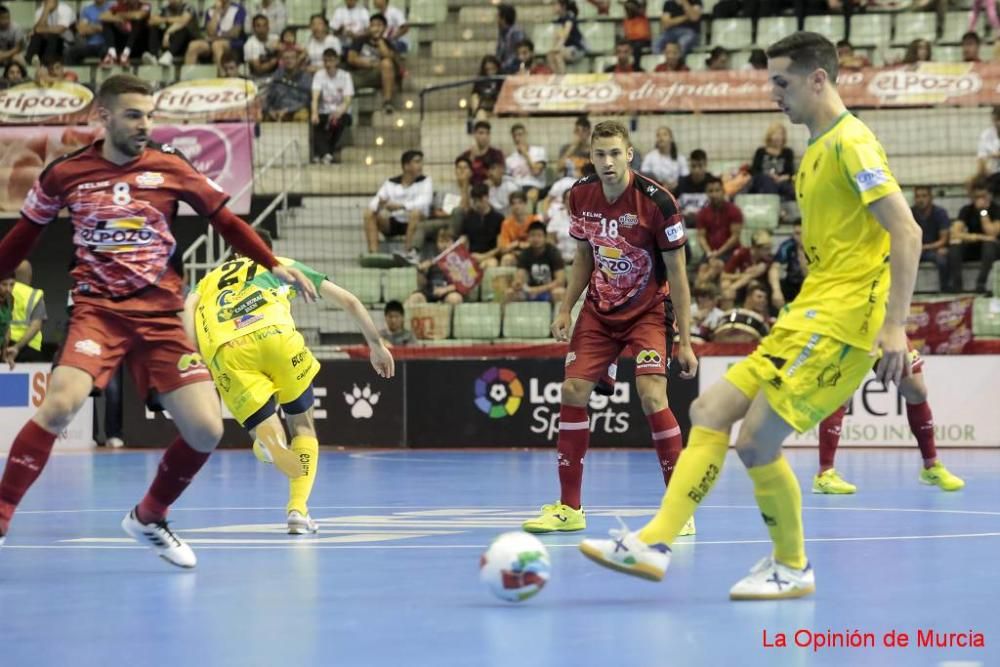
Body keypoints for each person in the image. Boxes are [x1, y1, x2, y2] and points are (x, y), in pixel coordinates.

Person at [578, 32, 923, 600]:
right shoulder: (816, 150)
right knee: (709, 409)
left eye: (781, 83)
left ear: (818, 79)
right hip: (807, 314)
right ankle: (654, 543)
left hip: (841, 325)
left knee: (757, 443)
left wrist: (894, 324)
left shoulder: (852, 143)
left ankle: (792, 566)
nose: (772, 94)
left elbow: (906, 231)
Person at [0, 74, 317, 566]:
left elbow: (226, 222)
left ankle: (149, 516)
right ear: (102, 117)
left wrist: (272, 263)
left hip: (162, 316)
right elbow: (24, 235)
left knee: (206, 430)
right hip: (98, 311)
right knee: (61, 404)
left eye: (149, 114)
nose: (144, 124)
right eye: (133, 114)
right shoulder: (65, 174)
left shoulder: (171, 168)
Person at [522, 120, 697, 535]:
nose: (607, 162)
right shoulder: (580, 195)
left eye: (615, 153)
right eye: (599, 155)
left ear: (630, 154)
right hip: (599, 312)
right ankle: (569, 509)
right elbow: (583, 257)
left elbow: (680, 276)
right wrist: (566, 308)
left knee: (653, 396)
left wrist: (686, 342)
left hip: (649, 312)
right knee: (572, 391)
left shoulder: (659, 203)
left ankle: (678, 511)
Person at [183, 229, 394, 534]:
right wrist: (376, 345)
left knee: (264, 427)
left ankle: (269, 444)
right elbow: (348, 301)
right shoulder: (279, 265)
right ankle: (297, 509)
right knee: (303, 425)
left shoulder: (209, 279)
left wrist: (194, 354)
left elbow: (188, 309)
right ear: (265, 251)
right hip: (276, 336)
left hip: (227, 351)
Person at [813, 352, 965, 494]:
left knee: (916, 390)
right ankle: (825, 475)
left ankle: (931, 468)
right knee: (840, 396)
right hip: (853, 334)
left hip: (886, 331)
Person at [310, 48, 353, 164]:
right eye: (326, 61)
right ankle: (326, 154)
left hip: (341, 112)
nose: (328, 64)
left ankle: (325, 152)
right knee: (316, 123)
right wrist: (314, 113)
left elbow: (348, 100)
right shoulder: (319, 75)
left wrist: (338, 112)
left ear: (337, 61)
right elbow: (315, 97)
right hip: (324, 111)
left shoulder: (345, 76)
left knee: (338, 122)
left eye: (331, 61)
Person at [506, 221, 566, 303]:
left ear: (545, 238)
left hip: (549, 289)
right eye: (532, 235)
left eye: (539, 235)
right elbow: (520, 275)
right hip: (530, 290)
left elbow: (560, 281)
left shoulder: (554, 252)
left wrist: (538, 290)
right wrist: (518, 283)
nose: (536, 239)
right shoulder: (525, 253)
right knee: (510, 293)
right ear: (528, 237)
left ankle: (559, 315)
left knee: (559, 292)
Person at [6, 260, 46, 365]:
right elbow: (36, 326)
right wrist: (17, 346)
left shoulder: (3, 291)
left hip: (4, 347)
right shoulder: (34, 295)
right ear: (30, 276)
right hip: (29, 349)